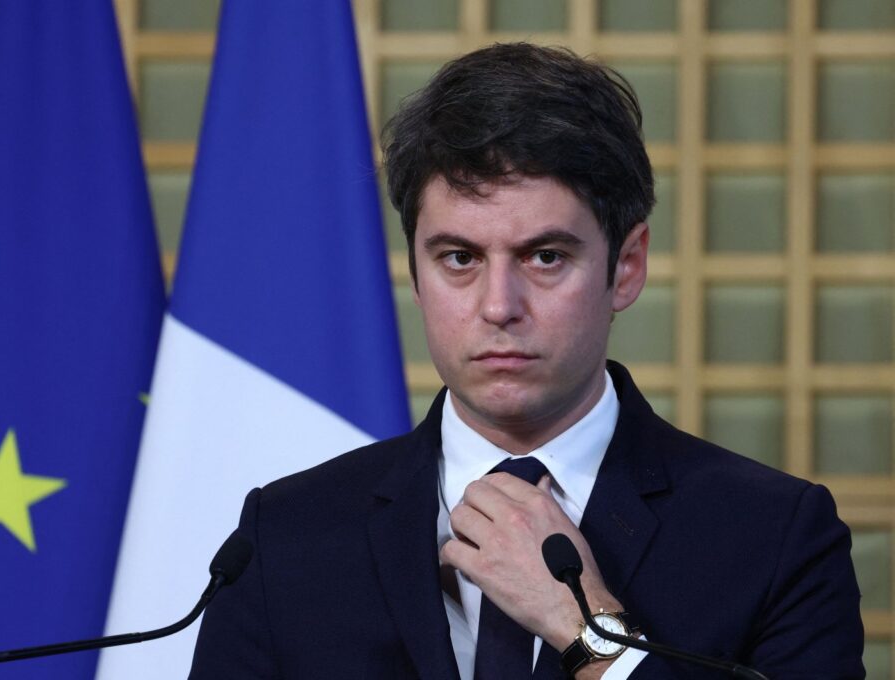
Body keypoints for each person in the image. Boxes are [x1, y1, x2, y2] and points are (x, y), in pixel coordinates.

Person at [189, 43, 864, 679]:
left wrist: (589, 629)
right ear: (415, 276)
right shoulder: (281, 539)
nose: (498, 306)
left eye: (546, 257)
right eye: (459, 259)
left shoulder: (775, 536)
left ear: (626, 267)